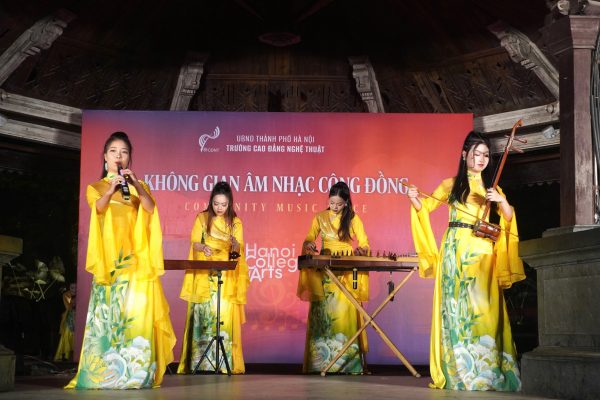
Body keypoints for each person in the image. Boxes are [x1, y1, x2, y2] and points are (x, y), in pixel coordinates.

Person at [407, 131, 525, 391]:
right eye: (476, 153)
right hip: (455, 249)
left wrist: (502, 201)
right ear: (464, 155)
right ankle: (458, 371)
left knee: (485, 308)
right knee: (455, 307)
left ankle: (487, 369)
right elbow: (424, 208)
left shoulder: (492, 188)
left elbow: (508, 217)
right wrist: (414, 197)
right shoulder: (450, 185)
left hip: (482, 251)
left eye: (486, 155)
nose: (481, 159)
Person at [66, 131, 175, 389]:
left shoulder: (139, 187)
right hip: (111, 263)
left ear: (129, 158)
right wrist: (111, 188)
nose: (119, 156)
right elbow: (98, 208)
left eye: (124, 152)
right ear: (105, 157)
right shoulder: (96, 188)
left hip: (137, 262)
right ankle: (103, 374)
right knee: (110, 317)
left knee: (136, 316)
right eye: (114, 151)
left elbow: (150, 208)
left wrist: (135, 184)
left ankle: (136, 374)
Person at [297, 181, 370, 374]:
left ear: (346, 202)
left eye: (339, 204)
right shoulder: (320, 217)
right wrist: (309, 245)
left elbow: (364, 242)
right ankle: (319, 364)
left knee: (344, 315)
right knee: (323, 314)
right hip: (325, 269)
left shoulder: (352, 218)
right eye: (331, 203)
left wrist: (362, 250)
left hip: (345, 269)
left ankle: (348, 365)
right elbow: (309, 238)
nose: (335, 207)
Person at [178, 181, 249, 374]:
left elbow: (239, 249)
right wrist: (203, 247)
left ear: (229, 203)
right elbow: (194, 242)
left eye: (223, 204)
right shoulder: (202, 218)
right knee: (204, 314)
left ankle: (224, 362)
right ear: (211, 201)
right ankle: (199, 362)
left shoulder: (235, 222)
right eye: (216, 203)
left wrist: (235, 244)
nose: (219, 208)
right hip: (205, 272)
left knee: (222, 315)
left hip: (225, 276)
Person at [54, 283, 76, 361]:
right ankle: (66, 355)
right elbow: (68, 307)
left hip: (77, 317)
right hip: (69, 317)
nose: (74, 289)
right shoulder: (66, 295)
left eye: (75, 287)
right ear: (69, 288)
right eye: (72, 287)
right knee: (67, 334)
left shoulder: (80, 294)